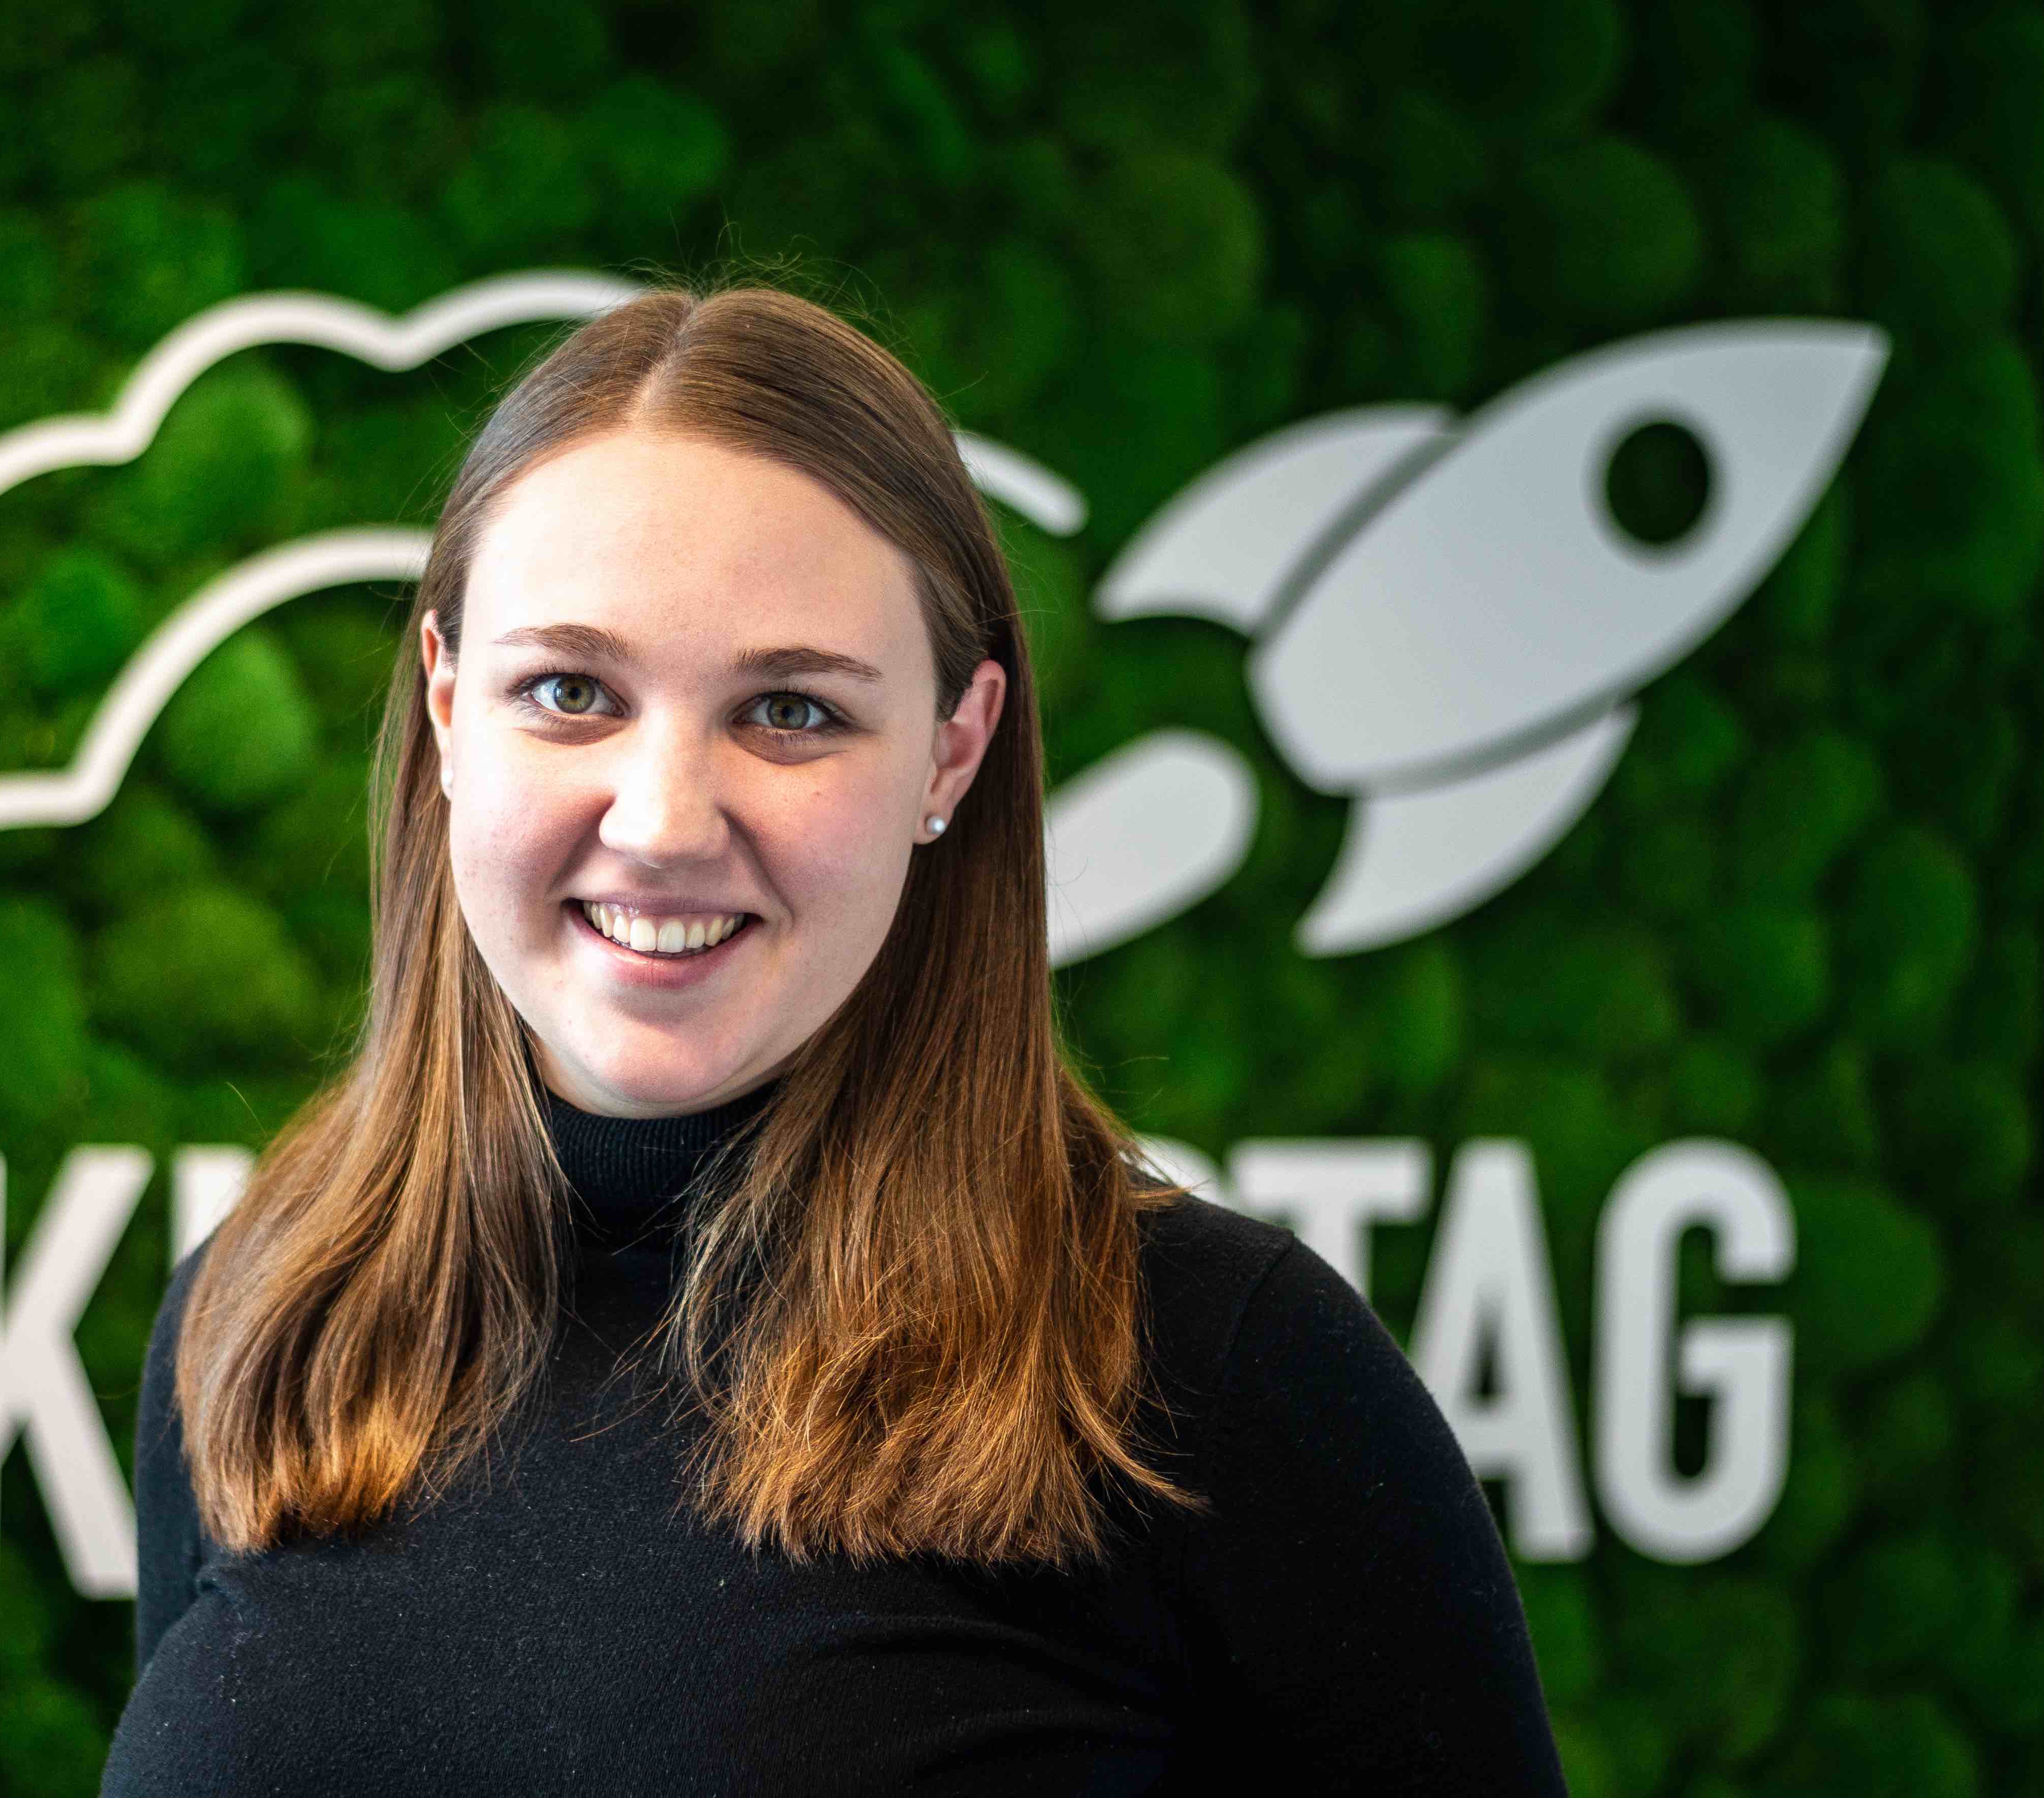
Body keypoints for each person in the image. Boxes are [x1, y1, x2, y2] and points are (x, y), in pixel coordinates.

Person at [102, 284, 1568, 1796]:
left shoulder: (1219, 1368)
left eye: (791, 711)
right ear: (447, 706)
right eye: (569, 692)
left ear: (952, 749)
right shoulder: (265, 1307)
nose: (663, 821)